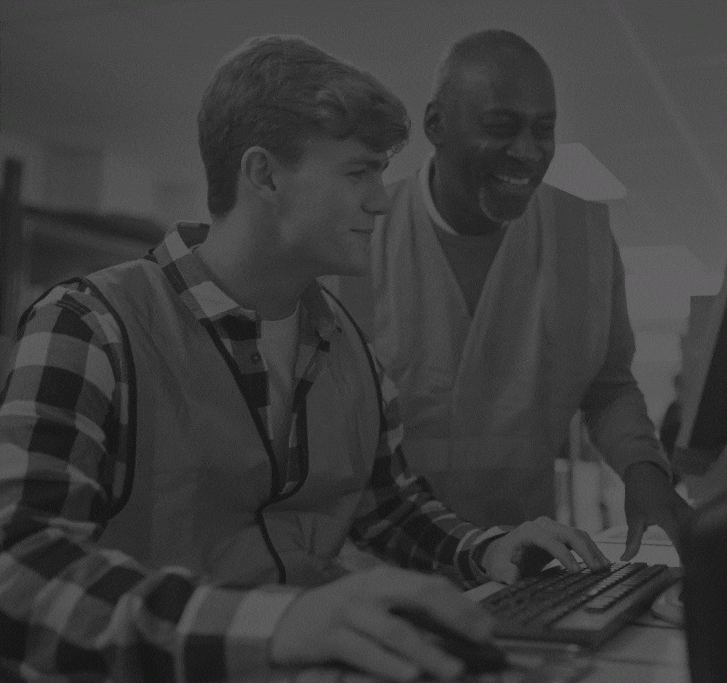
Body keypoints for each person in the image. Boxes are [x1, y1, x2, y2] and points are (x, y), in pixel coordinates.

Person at [0, 35, 612, 683]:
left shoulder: (350, 348)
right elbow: (18, 570)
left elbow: (391, 506)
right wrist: (280, 625)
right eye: (359, 171)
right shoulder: (91, 324)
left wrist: (484, 549)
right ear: (264, 174)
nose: (381, 198)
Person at [370, 29, 692, 561]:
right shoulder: (361, 238)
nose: (527, 152)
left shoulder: (582, 237)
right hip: (386, 563)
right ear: (436, 125)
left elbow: (608, 386)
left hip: (525, 560)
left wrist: (645, 473)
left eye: (544, 130)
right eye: (501, 128)